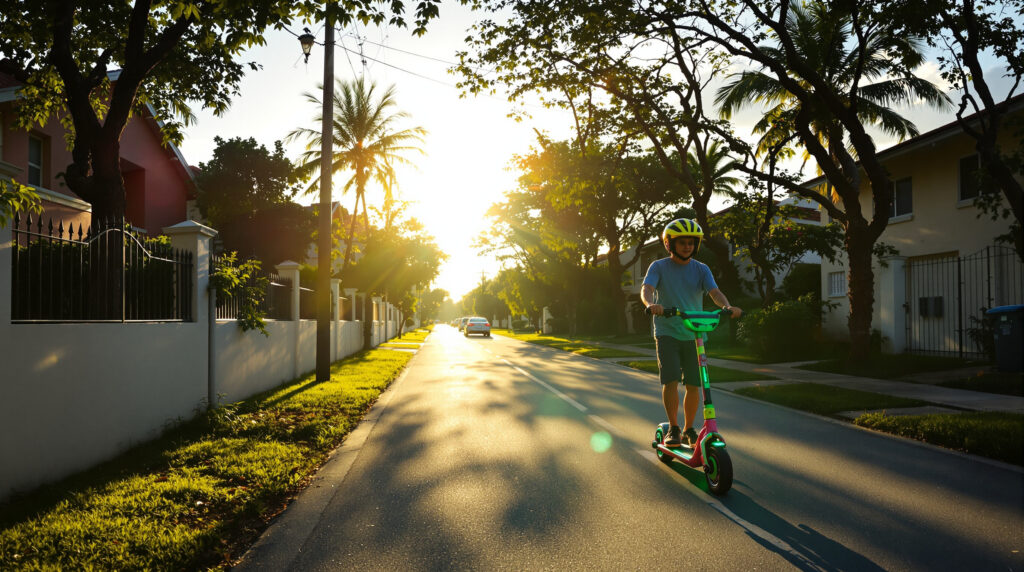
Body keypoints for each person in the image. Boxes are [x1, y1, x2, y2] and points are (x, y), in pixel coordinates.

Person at [641, 218, 742, 448]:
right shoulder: (658, 267)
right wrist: (650, 303)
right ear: (669, 244)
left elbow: (714, 291)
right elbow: (647, 288)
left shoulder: (701, 269)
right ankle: (673, 428)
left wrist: (726, 306)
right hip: (667, 331)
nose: (687, 246)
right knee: (671, 380)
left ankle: (688, 428)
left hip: (695, 332)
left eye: (691, 242)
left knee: (695, 384)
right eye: (682, 242)